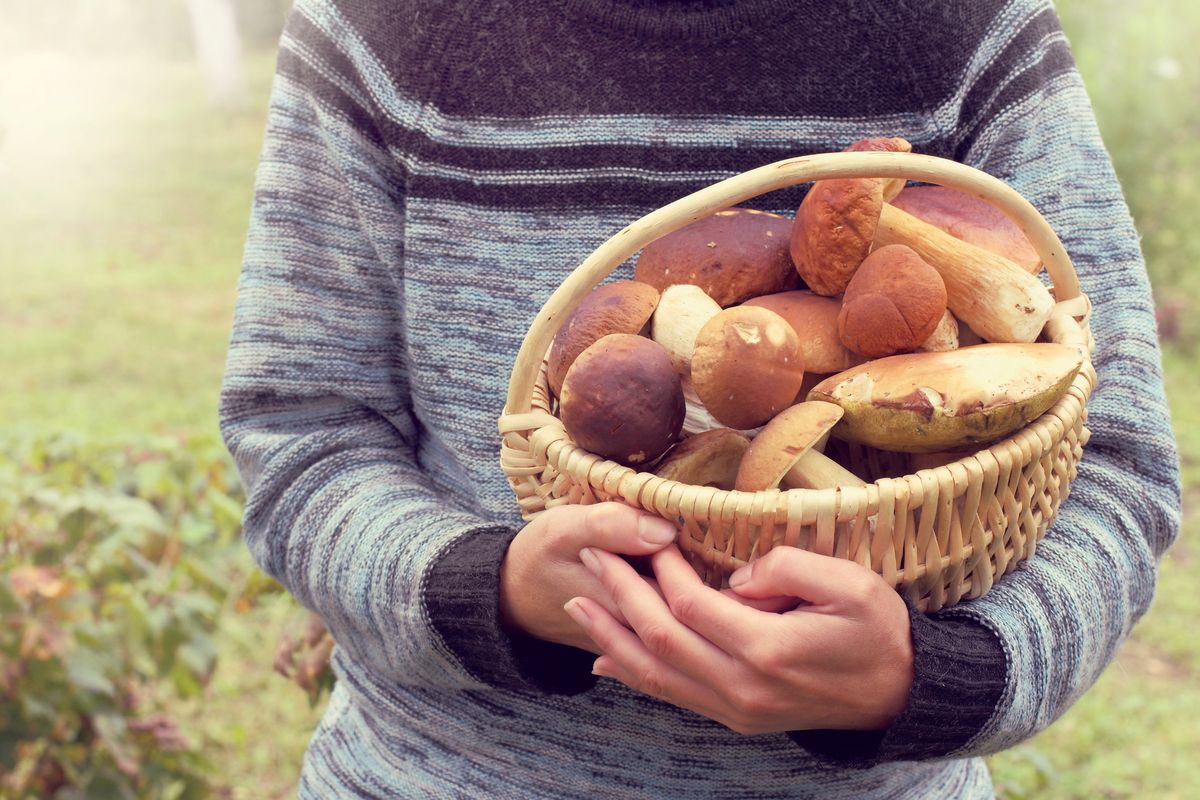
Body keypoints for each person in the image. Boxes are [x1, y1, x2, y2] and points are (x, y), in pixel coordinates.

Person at [219, 0, 1181, 797]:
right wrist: (498, 594)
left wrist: (934, 678)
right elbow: (300, 428)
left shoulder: (955, 27)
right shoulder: (383, 29)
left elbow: (1118, 455)